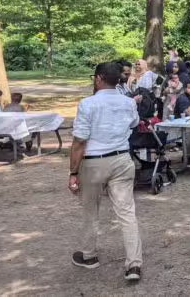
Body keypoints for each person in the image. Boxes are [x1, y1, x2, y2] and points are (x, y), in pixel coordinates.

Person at [68, 62, 142, 281]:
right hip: (121, 158)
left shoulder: (87, 104)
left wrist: (73, 171)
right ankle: (134, 264)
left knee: (90, 210)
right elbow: (133, 124)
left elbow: (79, 140)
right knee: (127, 212)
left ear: (99, 78)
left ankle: (89, 255)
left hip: (93, 162)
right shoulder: (128, 102)